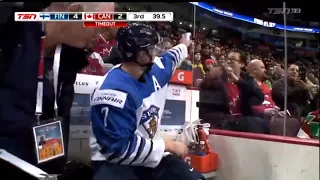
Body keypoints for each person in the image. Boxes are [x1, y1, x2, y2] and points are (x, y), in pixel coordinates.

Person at [0, 2, 115, 178]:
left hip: (43, 168)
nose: (102, 36)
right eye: (98, 24)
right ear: (74, 12)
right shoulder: (9, 36)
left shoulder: (69, 57)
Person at [90, 24, 204, 180]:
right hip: (116, 162)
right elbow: (119, 150)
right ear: (142, 56)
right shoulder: (113, 91)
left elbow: (172, 57)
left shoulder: (155, 68)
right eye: (152, 49)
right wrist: (169, 145)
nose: (156, 53)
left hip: (151, 157)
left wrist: (184, 44)